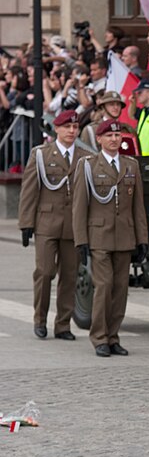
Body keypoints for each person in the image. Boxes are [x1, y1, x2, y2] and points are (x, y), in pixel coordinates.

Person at [72, 119, 148, 357]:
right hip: (99, 236)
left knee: (120, 289)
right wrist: (81, 240)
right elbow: (79, 207)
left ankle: (113, 336)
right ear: (99, 139)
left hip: (124, 236)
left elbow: (138, 207)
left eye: (118, 136)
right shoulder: (88, 165)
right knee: (103, 287)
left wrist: (142, 239)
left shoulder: (130, 165)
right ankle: (99, 337)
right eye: (109, 136)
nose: (115, 140)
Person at [18, 110, 90, 340]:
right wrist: (26, 223)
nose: (71, 131)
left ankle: (63, 324)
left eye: (75, 127)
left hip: (73, 226)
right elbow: (29, 191)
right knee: (45, 272)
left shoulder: (85, 156)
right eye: (66, 127)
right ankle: (40, 319)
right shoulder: (41, 154)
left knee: (69, 276)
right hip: (46, 223)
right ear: (56, 129)